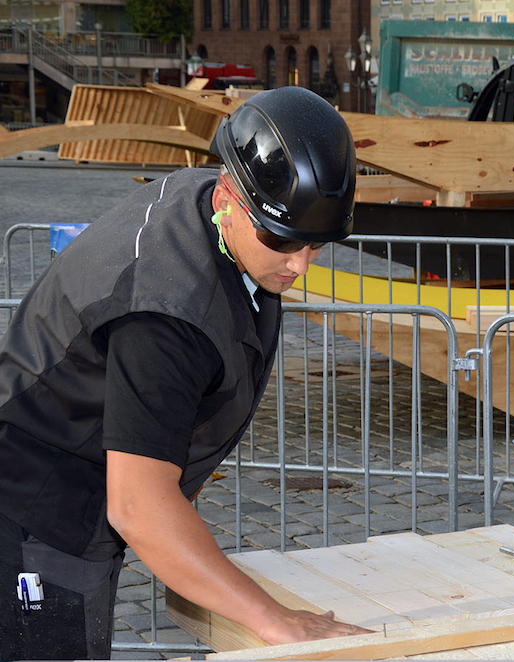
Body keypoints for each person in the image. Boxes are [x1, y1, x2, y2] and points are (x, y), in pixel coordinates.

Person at [0, 86, 368, 659]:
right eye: (280, 239)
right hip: (35, 509)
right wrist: (270, 619)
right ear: (230, 194)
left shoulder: (216, 212)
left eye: (315, 245)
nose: (298, 265)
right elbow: (139, 506)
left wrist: (185, 541)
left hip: (80, 495)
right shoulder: (166, 314)